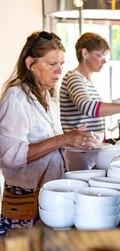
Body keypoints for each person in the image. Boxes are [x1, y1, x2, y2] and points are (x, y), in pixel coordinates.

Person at [0, 31, 98, 237]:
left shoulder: (48, 95)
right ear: (30, 63)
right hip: (25, 199)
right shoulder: (16, 97)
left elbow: (51, 145)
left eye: (61, 64)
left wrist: (75, 140)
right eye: (52, 64)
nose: (59, 71)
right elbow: (10, 157)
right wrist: (64, 138)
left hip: (51, 193)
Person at [59, 32, 120, 135]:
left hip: (88, 146)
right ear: (85, 53)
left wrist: (117, 106)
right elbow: (88, 107)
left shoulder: (86, 80)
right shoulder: (74, 77)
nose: (104, 62)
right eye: (100, 56)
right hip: (78, 148)